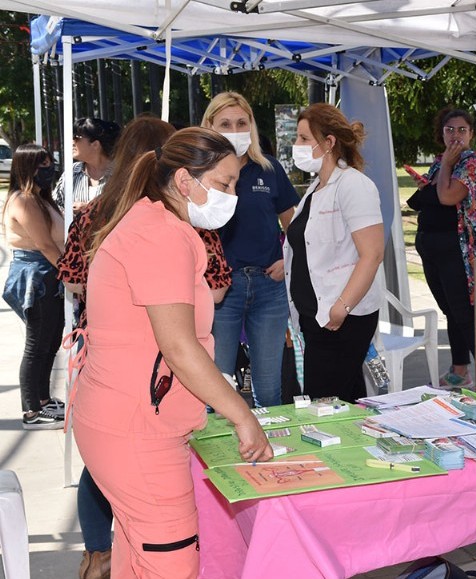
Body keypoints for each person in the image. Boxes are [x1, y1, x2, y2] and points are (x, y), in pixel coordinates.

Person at [72, 127, 272, 578]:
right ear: (185, 181)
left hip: (129, 421)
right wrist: (243, 415)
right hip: (134, 429)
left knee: (139, 551)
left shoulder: (158, 223)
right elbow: (180, 348)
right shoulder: (159, 234)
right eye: (223, 185)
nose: (231, 197)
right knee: (172, 560)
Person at [201, 92, 300, 408]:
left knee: (269, 390)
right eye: (225, 123)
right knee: (216, 386)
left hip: (268, 288)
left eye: (241, 123)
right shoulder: (197, 174)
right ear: (210, 126)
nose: (234, 129)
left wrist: (287, 259)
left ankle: (270, 453)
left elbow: (294, 224)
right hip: (220, 291)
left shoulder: (268, 168)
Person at [283, 103, 384, 402]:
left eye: (303, 138)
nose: (296, 146)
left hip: (341, 320)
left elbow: (373, 253)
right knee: (346, 402)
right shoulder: (317, 188)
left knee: (324, 405)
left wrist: (341, 307)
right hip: (318, 319)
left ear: (329, 142)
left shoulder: (354, 185)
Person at [406, 107, 476, 389]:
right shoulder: (439, 162)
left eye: (462, 130)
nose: (455, 135)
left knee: (464, 312)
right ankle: (460, 370)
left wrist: (446, 165)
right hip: (432, 246)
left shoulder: (471, 164)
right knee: (449, 310)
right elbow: (424, 197)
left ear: (471, 134)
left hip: (456, 250)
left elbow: (446, 196)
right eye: (449, 130)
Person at [2, 144, 66, 429]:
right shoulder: (25, 200)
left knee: (50, 340)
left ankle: (42, 399)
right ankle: (32, 410)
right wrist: (73, 275)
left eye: (51, 163)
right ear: (27, 168)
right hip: (37, 275)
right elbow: (44, 245)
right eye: (43, 165)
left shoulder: (41, 198)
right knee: (37, 344)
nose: (49, 169)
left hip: (49, 274)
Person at [53, 117, 121, 212]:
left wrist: (90, 209)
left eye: (76, 137)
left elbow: (128, 209)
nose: (71, 142)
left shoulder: (121, 174)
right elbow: (55, 206)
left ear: (95, 144)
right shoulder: (72, 172)